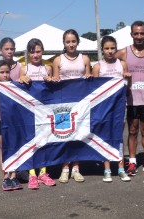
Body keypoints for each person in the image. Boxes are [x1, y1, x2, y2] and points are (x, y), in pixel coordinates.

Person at [115, 21, 144, 177]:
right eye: (136, 33)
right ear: (132, 35)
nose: (139, 36)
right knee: (133, 131)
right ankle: (132, 161)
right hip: (131, 99)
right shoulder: (123, 53)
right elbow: (108, 65)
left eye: (142, 33)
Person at [52, 29, 91, 183]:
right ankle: (64, 168)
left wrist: (89, 76)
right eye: (68, 42)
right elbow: (55, 80)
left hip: (81, 103)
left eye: (73, 41)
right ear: (64, 43)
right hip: (63, 103)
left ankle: (76, 168)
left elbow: (90, 80)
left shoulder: (85, 58)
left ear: (77, 42)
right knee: (64, 135)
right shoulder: (58, 60)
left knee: (78, 135)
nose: (71, 44)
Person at [92, 35, 131, 183]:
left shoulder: (122, 64)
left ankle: (120, 168)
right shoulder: (98, 66)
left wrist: (129, 77)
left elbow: (128, 87)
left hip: (119, 107)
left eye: (112, 48)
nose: (110, 51)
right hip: (103, 108)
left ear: (116, 49)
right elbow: (93, 90)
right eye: (107, 48)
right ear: (102, 50)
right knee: (104, 137)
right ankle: (107, 169)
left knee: (118, 137)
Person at [19, 38, 55, 189]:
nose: (35, 55)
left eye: (38, 51)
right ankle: (32, 174)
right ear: (28, 53)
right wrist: (21, 79)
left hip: (45, 112)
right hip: (29, 112)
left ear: (43, 52)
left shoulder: (48, 68)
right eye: (32, 52)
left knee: (44, 143)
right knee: (31, 142)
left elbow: (54, 88)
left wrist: (51, 80)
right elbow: (16, 89)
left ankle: (43, 172)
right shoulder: (24, 68)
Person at [0, 60, 23, 191]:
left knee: (14, 147)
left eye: (7, 72)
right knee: (3, 147)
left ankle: (14, 175)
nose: (5, 75)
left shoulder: (14, 85)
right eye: (2, 72)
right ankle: (5, 175)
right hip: (1, 121)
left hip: (14, 121)